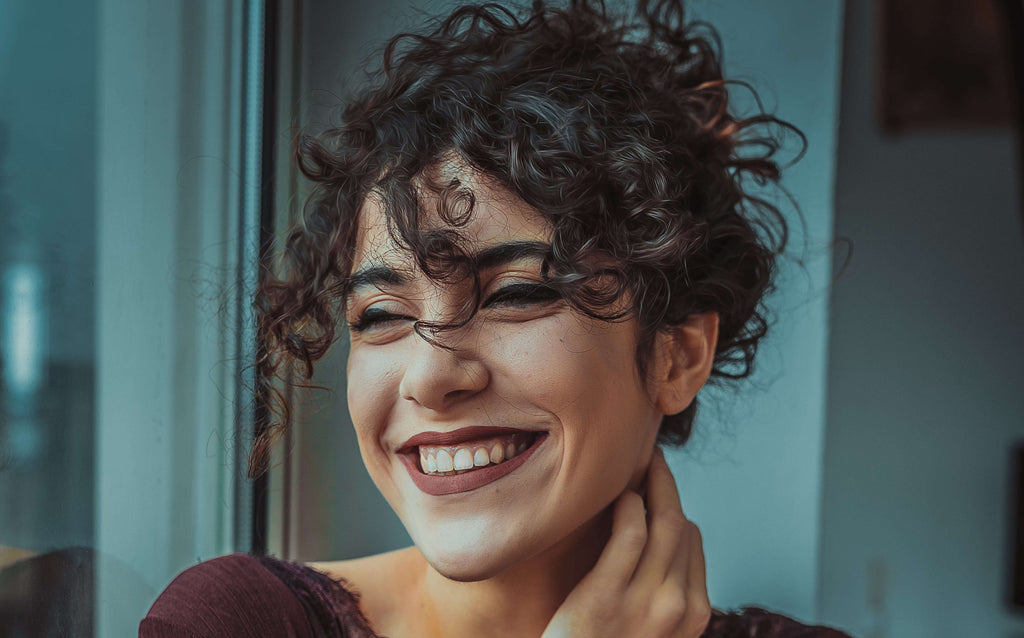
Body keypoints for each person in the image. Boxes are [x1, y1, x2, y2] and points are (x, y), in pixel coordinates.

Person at [141, 1, 852, 636]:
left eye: (516, 295)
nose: (429, 376)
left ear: (678, 357)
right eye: (383, 313)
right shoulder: (237, 623)